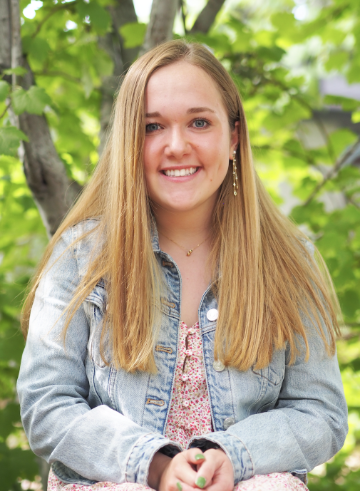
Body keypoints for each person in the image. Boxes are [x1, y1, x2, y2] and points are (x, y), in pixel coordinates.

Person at [17, 40, 348, 491]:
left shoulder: (289, 262)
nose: (176, 145)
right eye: (153, 126)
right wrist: (151, 463)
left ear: (233, 136)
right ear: (130, 141)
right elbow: (46, 404)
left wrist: (230, 456)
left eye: (199, 122)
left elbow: (320, 414)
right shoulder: (81, 257)